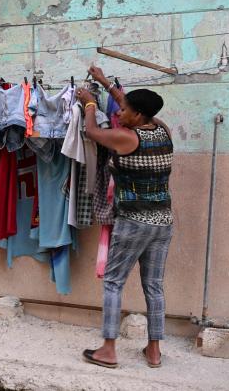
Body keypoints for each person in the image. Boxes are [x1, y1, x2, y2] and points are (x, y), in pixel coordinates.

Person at [78, 66, 174, 368]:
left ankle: (108, 350)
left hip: (134, 222)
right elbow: (124, 103)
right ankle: (154, 351)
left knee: (113, 283)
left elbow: (92, 132)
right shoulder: (161, 128)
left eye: (127, 110)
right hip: (163, 222)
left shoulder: (126, 138)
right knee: (154, 287)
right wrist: (106, 82)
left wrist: (89, 104)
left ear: (138, 116)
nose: (121, 113)